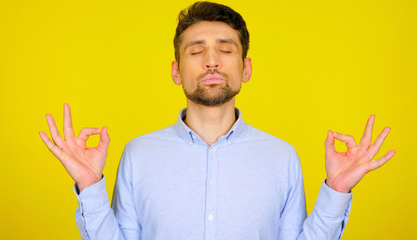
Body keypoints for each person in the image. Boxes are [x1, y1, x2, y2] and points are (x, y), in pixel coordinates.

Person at [39, 2, 396, 239]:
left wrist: (337, 191)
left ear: (246, 67)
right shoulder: (138, 153)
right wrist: (89, 186)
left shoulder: (282, 156)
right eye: (196, 51)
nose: (211, 61)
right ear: (177, 71)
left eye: (226, 50)